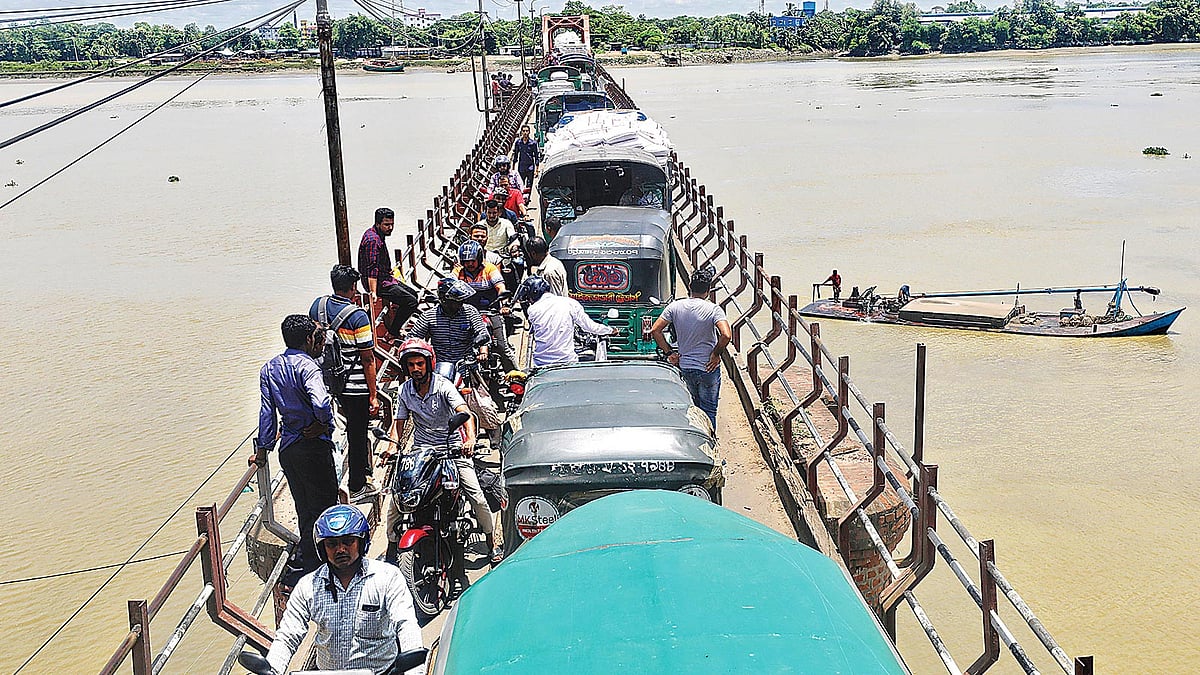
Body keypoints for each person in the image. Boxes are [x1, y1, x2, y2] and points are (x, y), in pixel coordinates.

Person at [380, 338, 499, 573]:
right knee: (397, 499)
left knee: (477, 497)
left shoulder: (443, 386)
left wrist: (471, 440)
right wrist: (392, 446)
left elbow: (464, 413)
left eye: (419, 364)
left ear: (428, 364)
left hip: (451, 450)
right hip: (422, 452)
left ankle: (491, 541)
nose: (415, 369)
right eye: (411, 365)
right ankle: (392, 545)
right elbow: (399, 423)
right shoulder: (405, 390)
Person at [266, 505, 422, 674]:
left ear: (361, 542)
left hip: (382, 671)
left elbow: (406, 623)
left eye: (348, 541)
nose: (340, 549)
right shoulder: (307, 586)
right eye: (332, 544)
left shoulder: (387, 577)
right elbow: (288, 634)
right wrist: (273, 668)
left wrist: (414, 669)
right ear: (323, 549)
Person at [251, 315, 338, 582]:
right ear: (309, 339)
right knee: (326, 507)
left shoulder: (269, 368)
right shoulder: (308, 367)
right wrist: (324, 424)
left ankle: (312, 564)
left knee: (304, 509)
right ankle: (333, 564)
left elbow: (267, 414)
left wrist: (263, 450)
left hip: (289, 450)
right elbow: (322, 404)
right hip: (314, 447)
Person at [309, 265, 379, 504]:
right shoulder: (358, 316)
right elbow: (367, 357)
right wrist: (374, 394)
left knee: (329, 433)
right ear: (352, 287)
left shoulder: (316, 307)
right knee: (356, 434)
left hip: (324, 384)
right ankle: (357, 485)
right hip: (354, 385)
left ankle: (328, 484)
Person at [651, 269, 732, 430]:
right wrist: (716, 354)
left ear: (689, 286)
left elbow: (655, 330)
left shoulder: (674, 307)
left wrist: (669, 353)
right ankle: (710, 447)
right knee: (709, 411)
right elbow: (726, 335)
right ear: (708, 290)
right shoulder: (714, 309)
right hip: (708, 368)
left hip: (686, 366)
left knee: (691, 411)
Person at [517, 275, 617, 368]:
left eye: (528, 298)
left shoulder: (532, 310)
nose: (529, 301)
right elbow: (590, 327)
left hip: (540, 363)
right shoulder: (570, 303)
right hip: (566, 362)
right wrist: (610, 330)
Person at [454, 241, 518, 372]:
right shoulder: (459, 271)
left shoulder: (490, 268)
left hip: (491, 312)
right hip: (467, 315)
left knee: (502, 347)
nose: (469, 264)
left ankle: (517, 379)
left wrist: (504, 304)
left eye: (472, 261)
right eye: (466, 261)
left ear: (479, 258)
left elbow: (500, 287)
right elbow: (450, 284)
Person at [358, 207, 419, 336]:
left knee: (414, 294)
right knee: (411, 301)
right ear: (378, 223)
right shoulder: (372, 240)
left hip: (385, 277)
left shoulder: (378, 234)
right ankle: (393, 331)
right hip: (378, 282)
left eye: (392, 224)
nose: (390, 228)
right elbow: (372, 268)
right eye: (386, 224)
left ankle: (394, 323)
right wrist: (373, 292)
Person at [407, 278, 491, 368]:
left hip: (467, 362)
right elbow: (413, 338)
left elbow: (482, 333)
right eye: (456, 301)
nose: (460, 304)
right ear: (445, 301)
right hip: (440, 364)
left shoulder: (470, 311)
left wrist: (483, 352)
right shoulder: (428, 316)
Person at [511, 125, 540, 195]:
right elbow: (515, 155)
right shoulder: (518, 143)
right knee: (520, 184)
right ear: (521, 132)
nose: (525, 132)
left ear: (529, 132)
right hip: (521, 167)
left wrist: (536, 170)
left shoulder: (533, 143)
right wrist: (513, 168)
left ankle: (527, 199)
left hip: (530, 167)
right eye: (523, 131)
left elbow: (536, 156)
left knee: (529, 185)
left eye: (527, 131)